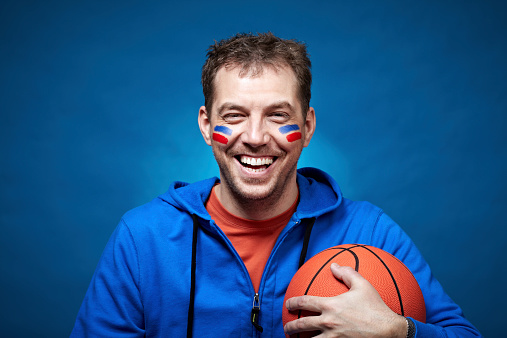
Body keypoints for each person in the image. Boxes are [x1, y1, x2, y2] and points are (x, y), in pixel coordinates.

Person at [71, 32, 481, 337]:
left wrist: (399, 331)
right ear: (205, 125)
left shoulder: (369, 231)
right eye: (233, 115)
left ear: (307, 126)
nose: (254, 136)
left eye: (277, 115)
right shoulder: (143, 238)